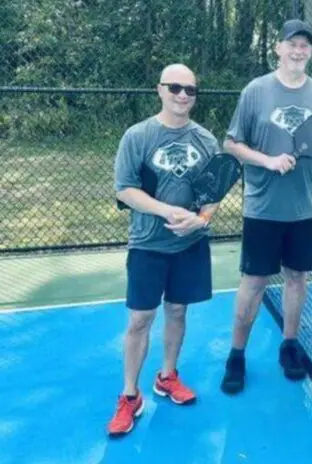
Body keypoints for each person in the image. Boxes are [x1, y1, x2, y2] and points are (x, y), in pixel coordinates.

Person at [220, 19, 312, 394]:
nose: (299, 50)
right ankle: (236, 355)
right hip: (262, 209)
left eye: (305, 45)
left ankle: (290, 345)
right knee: (253, 283)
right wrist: (268, 160)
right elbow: (231, 144)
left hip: (303, 210)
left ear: (310, 51)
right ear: (278, 48)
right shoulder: (256, 91)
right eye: (292, 44)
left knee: (296, 279)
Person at [108, 63, 221, 436]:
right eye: (175, 88)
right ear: (160, 90)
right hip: (147, 245)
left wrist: (201, 219)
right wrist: (166, 210)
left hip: (189, 246)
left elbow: (213, 193)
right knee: (140, 320)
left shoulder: (206, 140)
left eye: (190, 90)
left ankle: (168, 376)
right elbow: (125, 188)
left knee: (177, 311)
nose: (183, 95)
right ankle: (129, 396)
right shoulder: (137, 137)